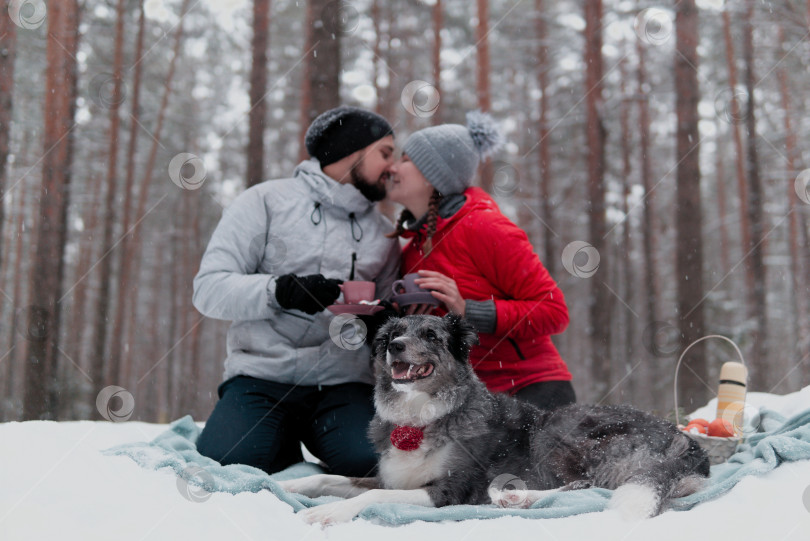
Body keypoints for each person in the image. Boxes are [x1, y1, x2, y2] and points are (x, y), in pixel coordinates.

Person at [192, 106, 400, 476]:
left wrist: (381, 326)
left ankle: (311, 441)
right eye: (385, 153)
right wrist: (279, 291)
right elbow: (208, 289)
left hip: (342, 382)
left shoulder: (383, 233)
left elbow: (383, 310)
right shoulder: (264, 202)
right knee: (225, 465)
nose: (392, 166)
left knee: (375, 466)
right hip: (262, 375)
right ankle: (271, 433)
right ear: (352, 151)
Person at [386, 111, 576, 411]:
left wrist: (468, 310)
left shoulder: (484, 228)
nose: (393, 168)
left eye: (406, 160)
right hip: (467, 400)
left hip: (530, 389)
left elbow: (553, 311)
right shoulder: (412, 248)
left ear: (433, 175)